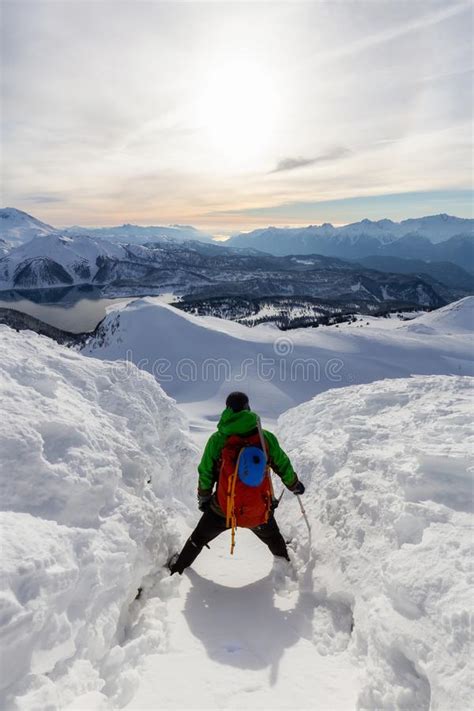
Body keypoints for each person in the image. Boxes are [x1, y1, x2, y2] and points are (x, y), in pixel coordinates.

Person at [169, 391, 305, 575]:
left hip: (223, 509)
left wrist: (204, 498)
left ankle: (177, 568)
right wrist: (294, 484)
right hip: (258, 510)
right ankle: (288, 566)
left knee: (198, 538)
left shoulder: (218, 439)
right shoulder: (265, 437)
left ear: (227, 410)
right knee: (273, 536)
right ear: (248, 408)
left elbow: (206, 471)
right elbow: (282, 464)